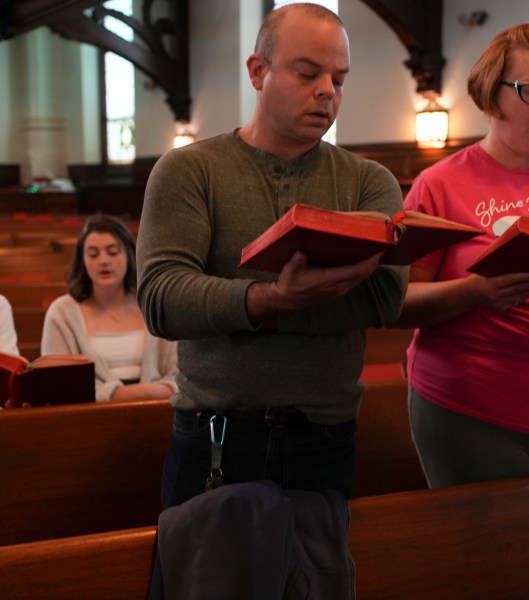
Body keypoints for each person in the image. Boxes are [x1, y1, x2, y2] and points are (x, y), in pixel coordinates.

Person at [138, 3, 407, 596]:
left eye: (338, 79)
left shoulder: (369, 182)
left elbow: (384, 298)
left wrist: (255, 307)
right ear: (258, 70)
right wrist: (267, 300)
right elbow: (162, 299)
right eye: (307, 73)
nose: (326, 93)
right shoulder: (190, 171)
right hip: (217, 436)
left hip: (324, 437)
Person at [394, 22, 529, 488]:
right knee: (483, 555)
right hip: (469, 410)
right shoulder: (440, 184)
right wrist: (475, 293)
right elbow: (397, 303)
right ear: (491, 91)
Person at [41, 214, 178, 402]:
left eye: (113, 252)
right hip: (89, 415)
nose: (104, 261)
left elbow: (181, 374)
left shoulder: (155, 304)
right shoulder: (62, 312)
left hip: (157, 409)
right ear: (83, 261)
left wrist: (161, 391)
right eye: (93, 254)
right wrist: (127, 394)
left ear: (130, 255)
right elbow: (56, 385)